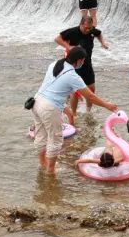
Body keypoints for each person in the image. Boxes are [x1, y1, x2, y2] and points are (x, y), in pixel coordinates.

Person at [31, 46, 117, 174]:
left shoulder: (54, 64)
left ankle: (42, 163)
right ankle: (50, 171)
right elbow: (90, 96)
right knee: (55, 140)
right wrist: (107, 105)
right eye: (83, 61)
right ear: (78, 60)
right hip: (49, 108)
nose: (83, 63)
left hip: (36, 101)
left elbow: (55, 88)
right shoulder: (72, 76)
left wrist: (66, 108)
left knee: (41, 135)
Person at [55, 15, 109, 115]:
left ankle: (88, 112)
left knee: (91, 89)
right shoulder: (72, 31)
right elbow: (57, 39)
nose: (88, 30)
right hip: (74, 65)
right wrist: (68, 47)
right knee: (75, 91)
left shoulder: (92, 30)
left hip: (87, 63)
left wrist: (103, 42)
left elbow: (99, 33)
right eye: (86, 28)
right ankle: (73, 114)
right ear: (81, 24)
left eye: (90, 28)